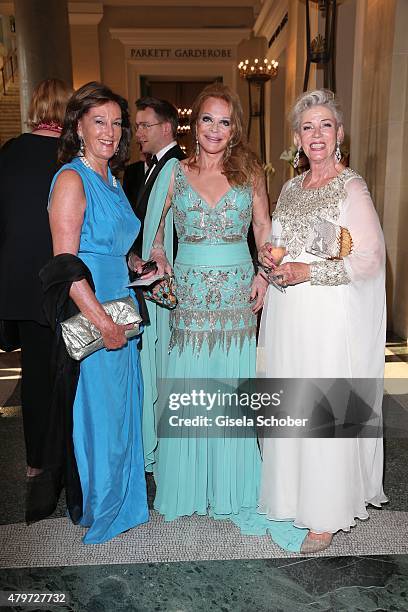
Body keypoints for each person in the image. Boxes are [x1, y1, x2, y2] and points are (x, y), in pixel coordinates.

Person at [134, 83, 308, 552]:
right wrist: (160, 261)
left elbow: (265, 231)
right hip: (189, 296)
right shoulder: (174, 171)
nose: (214, 129)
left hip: (235, 295)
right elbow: (153, 237)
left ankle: (233, 486)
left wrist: (263, 275)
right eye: (207, 119)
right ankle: (188, 485)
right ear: (196, 125)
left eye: (224, 121)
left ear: (235, 129)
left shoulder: (250, 171)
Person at [258, 89, 387, 553]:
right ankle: (295, 494)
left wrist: (308, 269)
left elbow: (369, 258)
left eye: (325, 125)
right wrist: (269, 263)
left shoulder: (352, 188)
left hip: (329, 316)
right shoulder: (290, 188)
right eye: (308, 127)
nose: (317, 135)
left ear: (340, 135)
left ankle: (327, 511)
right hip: (289, 311)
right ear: (297, 137)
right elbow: (277, 241)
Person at [47, 81, 149, 544]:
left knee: (122, 412)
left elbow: (111, 246)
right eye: (99, 122)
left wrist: (140, 265)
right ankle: (101, 506)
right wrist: (103, 323)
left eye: (116, 122)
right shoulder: (72, 178)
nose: (110, 131)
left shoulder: (112, 178)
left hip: (122, 309)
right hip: (96, 315)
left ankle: (124, 501)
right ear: (78, 127)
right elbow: (66, 266)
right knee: (99, 414)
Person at [0, 78, 71, 507]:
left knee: (33, 374)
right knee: (66, 370)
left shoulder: (8, 153)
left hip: (19, 281)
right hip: (61, 280)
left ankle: (34, 461)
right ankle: (65, 454)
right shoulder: (71, 160)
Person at [123, 96, 185, 259]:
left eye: (145, 126)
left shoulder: (179, 165)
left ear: (166, 128)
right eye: (137, 127)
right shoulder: (156, 163)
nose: (138, 134)